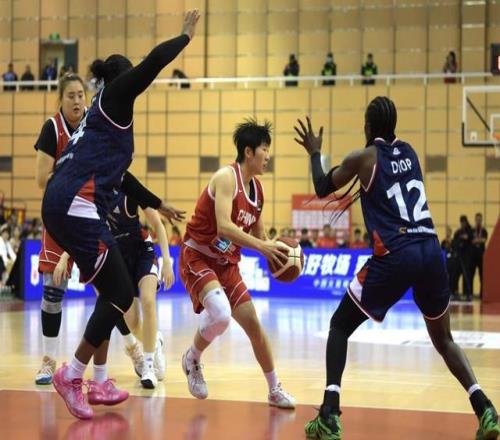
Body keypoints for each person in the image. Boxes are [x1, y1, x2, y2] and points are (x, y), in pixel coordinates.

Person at [294, 101, 500, 439]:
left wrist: (315, 153)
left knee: (339, 326)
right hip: (431, 250)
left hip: (397, 254)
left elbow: (321, 186)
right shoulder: (411, 152)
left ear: (368, 126)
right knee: (444, 339)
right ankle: (486, 409)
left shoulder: (364, 159)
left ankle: (329, 414)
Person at [41, 10, 199, 419]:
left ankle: (98, 379)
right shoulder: (114, 97)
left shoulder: (101, 119)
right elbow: (152, 63)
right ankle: (72, 376)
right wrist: (184, 37)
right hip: (76, 205)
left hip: (65, 202)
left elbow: (122, 177)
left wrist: (157, 202)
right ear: (121, 79)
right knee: (119, 294)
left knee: (112, 294)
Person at [179, 118, 295, 409]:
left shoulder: (259, 192)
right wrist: (263, 247)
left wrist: (279, 250)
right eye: (264, 149)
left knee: (254, 326)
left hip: (226, 264)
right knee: (220, 314)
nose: (268, 156)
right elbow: (224, 227)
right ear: (248, 151)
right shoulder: (226, 178)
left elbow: (261, 237)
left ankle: (274, 389)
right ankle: (192, 358)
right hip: (198, 255)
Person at [34, 73, 87, 385]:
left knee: (112, 291)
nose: (77, 100)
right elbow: (41, 180)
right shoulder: (52, 129)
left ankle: (139, 353)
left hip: (90, 212)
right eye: (71, 95)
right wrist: (73, 173)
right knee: (53, 292)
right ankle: (48, 360)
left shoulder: (93, 124)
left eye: (81, 94)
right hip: (59, 215)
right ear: (61, 99)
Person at [107, 191, 174, 389]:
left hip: (143, 252)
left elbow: (158, 225)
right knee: (134, 324)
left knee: (148, 300)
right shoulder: (97, 192)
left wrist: (167, 261)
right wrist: (66, 257)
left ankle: (149, 366)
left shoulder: (129, 189)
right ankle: (156, 342)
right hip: (119, 259)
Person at [453, 215, 473, 301]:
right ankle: (455, 292)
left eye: (464, 222)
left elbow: (470, 238)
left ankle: (467, 293)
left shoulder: (470, 231)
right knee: (456, 274)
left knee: (466, 275)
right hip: (459, 256)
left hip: (466, 257)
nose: (462, 224)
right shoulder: (458, 232)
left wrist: (464, 238)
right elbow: (454, 241)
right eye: (461, 222)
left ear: (466, 222)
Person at [471, 213, 487, 299]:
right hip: (473, 257)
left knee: (482, 276)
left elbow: (484, 240)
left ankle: (482, 295)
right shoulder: (472, 230)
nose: (478, 221)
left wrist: (476, 240)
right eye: (477, 219)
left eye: (480, 219)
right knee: (471, 275)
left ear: (482, 220)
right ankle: (470, 294)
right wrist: (479, 240)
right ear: (475, 220)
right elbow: (471, 241)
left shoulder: (484, 231)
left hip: (481, 257)